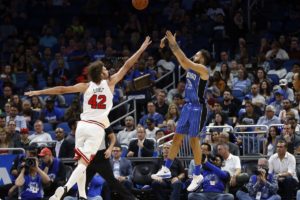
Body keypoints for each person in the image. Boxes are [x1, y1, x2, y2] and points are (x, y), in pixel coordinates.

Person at [25, 37, 151, 200]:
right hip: (96, 127)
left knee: (81, 164)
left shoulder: (85, 86)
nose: (108, 70)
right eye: (105, 69)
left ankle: (82, 196)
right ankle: (64, 189)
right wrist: (141, 49)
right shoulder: (110, 83)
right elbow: (127, 65)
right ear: (101, 73)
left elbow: (63, 89)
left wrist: (39, 92)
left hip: (81, 126)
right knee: (84, 164)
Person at [152, 31, 210, 192]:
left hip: (198, 107)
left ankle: (198, 174)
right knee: (176, 138)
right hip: (187, 106)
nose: (195, 55)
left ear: (203, 58)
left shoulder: (203, 69)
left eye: (197, 54)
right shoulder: (191, 69)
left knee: (193, 140)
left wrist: (173, 42)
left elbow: (184, 59)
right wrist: (172, 44)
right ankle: (166, 168)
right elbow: (181, 59)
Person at [86, 127, 135, 200]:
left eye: (117, 151)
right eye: (114, 151)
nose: (115, 152)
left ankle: (131, 198)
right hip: (90, 158)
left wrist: (110, 148)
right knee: (83, 181)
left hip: (102, 158)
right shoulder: (87, 125)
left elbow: (112, 136)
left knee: (113, 181)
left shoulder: (103, 123)